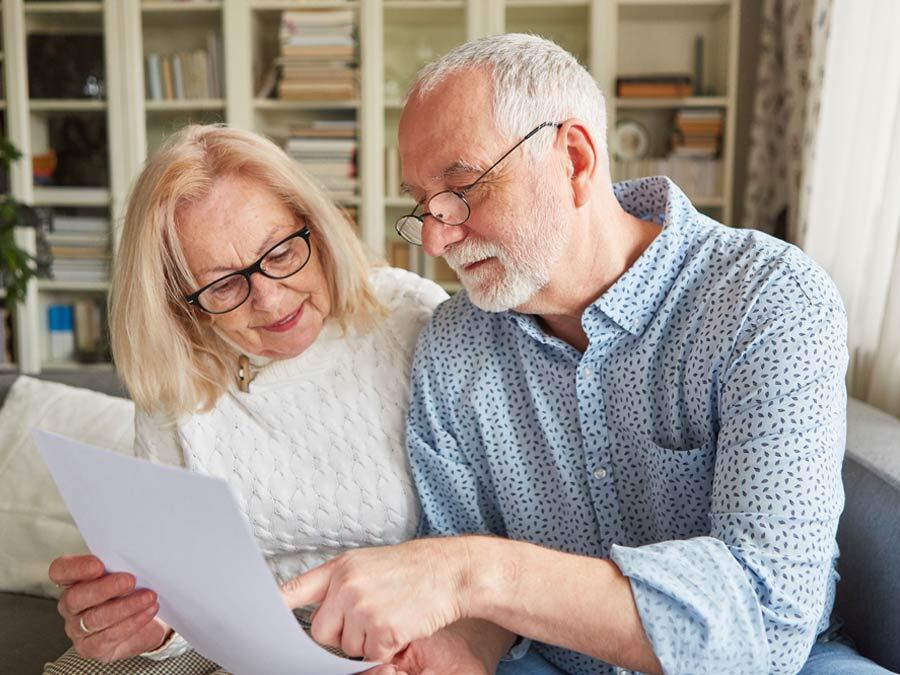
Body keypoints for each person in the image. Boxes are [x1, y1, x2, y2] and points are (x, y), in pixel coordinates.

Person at [281, 35, 894, 675]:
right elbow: (471, 599)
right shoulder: (453, 344)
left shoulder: (767, 300)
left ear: (573, 158)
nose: (436, 238)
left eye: (461, 190)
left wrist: (474, 571)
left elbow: (766, 621)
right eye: (424, 204)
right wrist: (456, 646)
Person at [43, 124, 449, 675]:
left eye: (280, 252)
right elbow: (178, 592)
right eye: (224, 285)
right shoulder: (180, 372)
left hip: (400, 643)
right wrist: (146, 621)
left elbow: (476, 545)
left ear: (318, 227)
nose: (270, 298)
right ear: (181, 302)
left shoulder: (412, 318)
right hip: (237, 652)